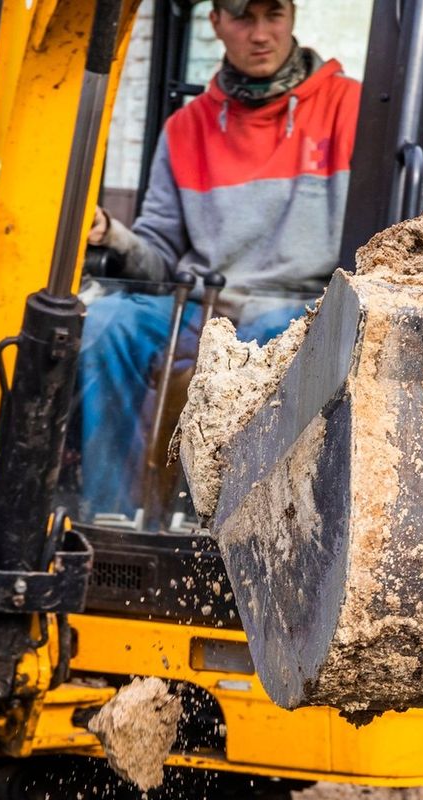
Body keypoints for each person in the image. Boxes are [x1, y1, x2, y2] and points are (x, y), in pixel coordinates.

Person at [77, 0, 360, 517]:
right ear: (215, 24)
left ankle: (237, 530)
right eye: (242, 18)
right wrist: (111, 237)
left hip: (301, 306)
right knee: (105, 323)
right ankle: (111, 517)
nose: (260, 35)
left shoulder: (351, 109)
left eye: (272, 15)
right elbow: (159, 256)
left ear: (292, 16)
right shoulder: (185, 129)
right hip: (201, 306)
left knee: (267, 344)